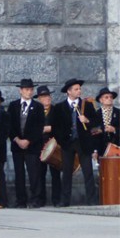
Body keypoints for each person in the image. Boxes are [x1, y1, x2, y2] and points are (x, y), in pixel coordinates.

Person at [49, 78, 100, 206]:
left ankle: (92, 200)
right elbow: (55, 127)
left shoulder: (86, 105)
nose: (79, 91)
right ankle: (65, 200)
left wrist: (87, 120)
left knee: (88, 171)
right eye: (76, 89)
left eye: (79, 89)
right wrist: (63, 140)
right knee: (66, 172)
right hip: (68, 143)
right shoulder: (60, 107)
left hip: (83, 143)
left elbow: (96, 122)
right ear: (69, 91)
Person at [8, 78, 46, 208]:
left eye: (31, 89)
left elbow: (39, 127)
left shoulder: (38, 106)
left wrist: (28, 140)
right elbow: (10, 126)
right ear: (21, 91)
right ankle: (21, 200)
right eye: (26, 89)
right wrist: (17, 139)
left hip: (32, 145)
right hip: (17, 145)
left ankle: (36, 199)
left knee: (34, 173)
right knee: (19, 173)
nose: (29, 92)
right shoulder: (13, 106)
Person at [35, 85, 62, 207]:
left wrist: (51, 128)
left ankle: (56, 199)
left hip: (54, 146)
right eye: (44, 96)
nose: (47, 98)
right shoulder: (36, 111)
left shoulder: (56, 110)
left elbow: (62, 126)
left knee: (55, 173)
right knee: (40, 174)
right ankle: (41, 199)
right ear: (39, 98)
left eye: (48, 96)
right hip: (40, 145)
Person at [95, 87, 119, 156]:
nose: (109, 99)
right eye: (106, 97)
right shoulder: (96, 114)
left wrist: (114, 130)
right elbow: (93, 131)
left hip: (117, 148)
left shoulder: (118, 113)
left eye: (111, 97)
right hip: (101, 148)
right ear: (101, 100)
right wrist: (95, 150)